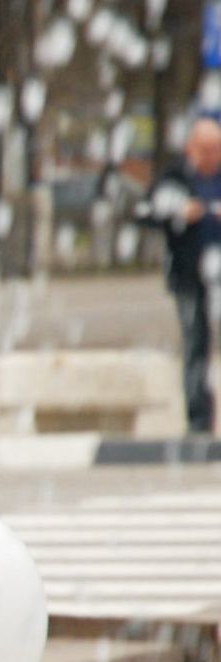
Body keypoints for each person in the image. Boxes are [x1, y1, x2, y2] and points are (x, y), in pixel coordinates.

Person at [137, 116, 221, 436]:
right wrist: (179, 211)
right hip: (190, 274)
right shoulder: (175, 177)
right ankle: (199, 420)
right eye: (206, 150)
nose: (213, 156)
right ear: (191, 148)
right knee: (195, 343)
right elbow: (146, 211)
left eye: (217, 149)